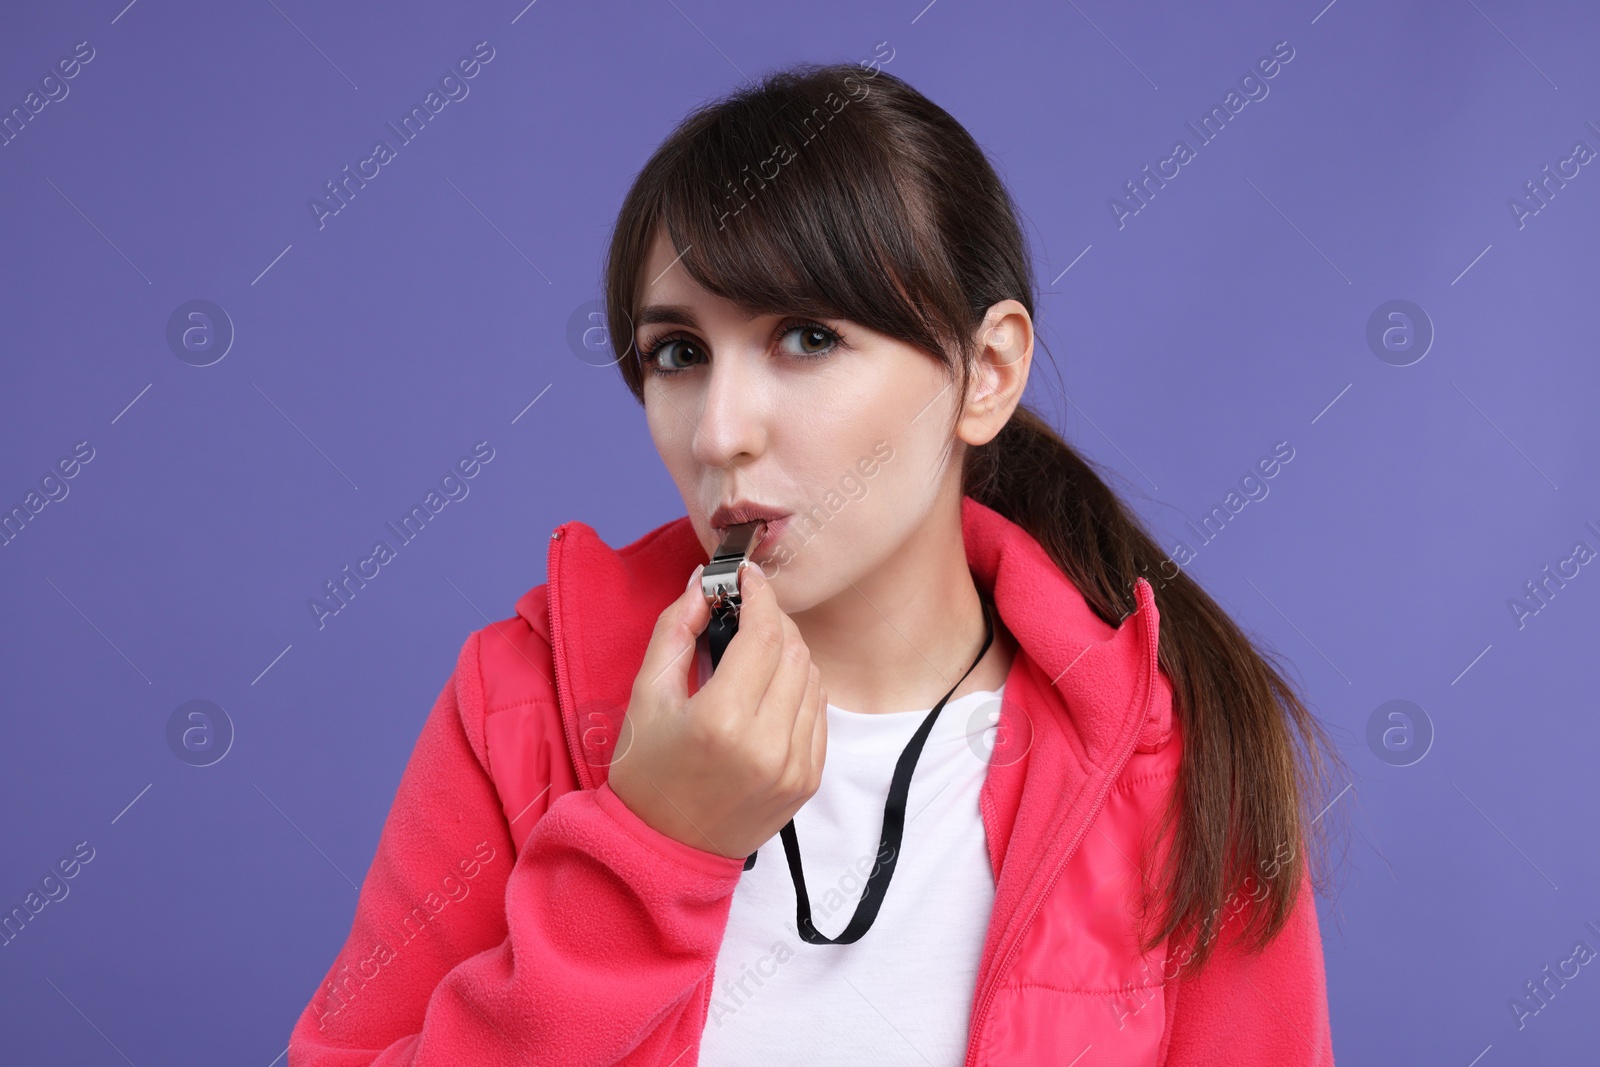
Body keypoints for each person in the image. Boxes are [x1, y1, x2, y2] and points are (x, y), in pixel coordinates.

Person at [288, 60, 1344, 1066]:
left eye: (804, 338)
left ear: (985, 373)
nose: (718, 432)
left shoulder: (1166, 756)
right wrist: (650, 850)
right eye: (678, 353)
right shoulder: (523, 700)